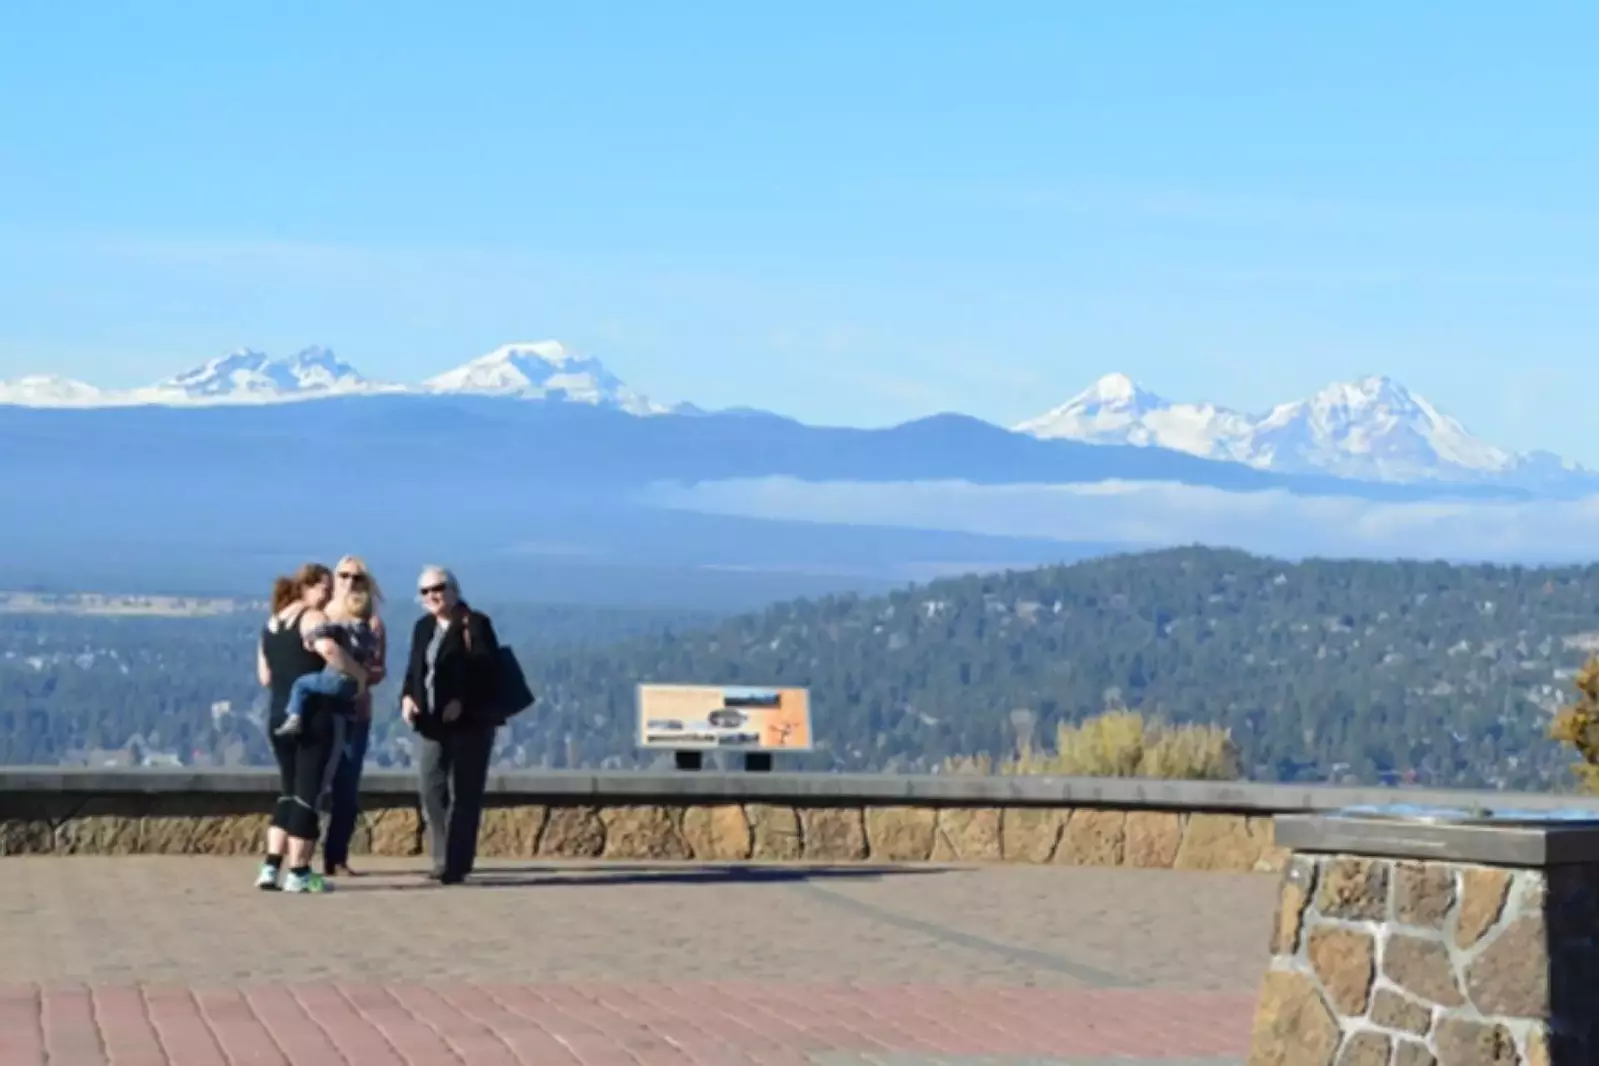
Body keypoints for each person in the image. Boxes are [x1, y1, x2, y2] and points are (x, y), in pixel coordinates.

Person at [254, 562, 370, 894]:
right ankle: (300, 871)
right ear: (310, 586)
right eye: (326, 588)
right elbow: (328, 649)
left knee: (288, 791)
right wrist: (355, 674)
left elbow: (265, 677)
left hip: (277, 714)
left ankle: (270, 867)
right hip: (314, 719)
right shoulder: (312, 618)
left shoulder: (272, 624)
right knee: (309, 793)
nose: (330, 595)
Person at [401, 565, 501, 884]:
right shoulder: (422, 628)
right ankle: (441, 854)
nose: (432, 596)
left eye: (439, 588)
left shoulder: (475, 624)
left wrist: (462, 700)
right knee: (431, 786)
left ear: (454, 590)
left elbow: (487, 670)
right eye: (425, 591)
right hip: (432, 721)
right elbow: (415, 670)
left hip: (470, 723)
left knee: (464, 792)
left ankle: (456, 862)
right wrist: (408, 697)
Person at [321, 555, 388, 878]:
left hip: (356, 713)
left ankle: (336, 855)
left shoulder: (373, 623)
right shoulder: (319, 616)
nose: (350, 582)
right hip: (322, 709)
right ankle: (301, 854)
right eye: (344, 575)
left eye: (357, 577)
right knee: (314, 784)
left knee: (346, 788)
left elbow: (379, 668)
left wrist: (363, 673)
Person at [272, 580, 375, 737]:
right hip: (354, 685)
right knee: (344, 701)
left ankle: (294, 716)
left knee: (301, 684)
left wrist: (310, 638)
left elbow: (325, 632)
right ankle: (349, 718)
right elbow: (371, 657)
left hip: (335, 677)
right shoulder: (370, 636)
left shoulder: (344, 627)